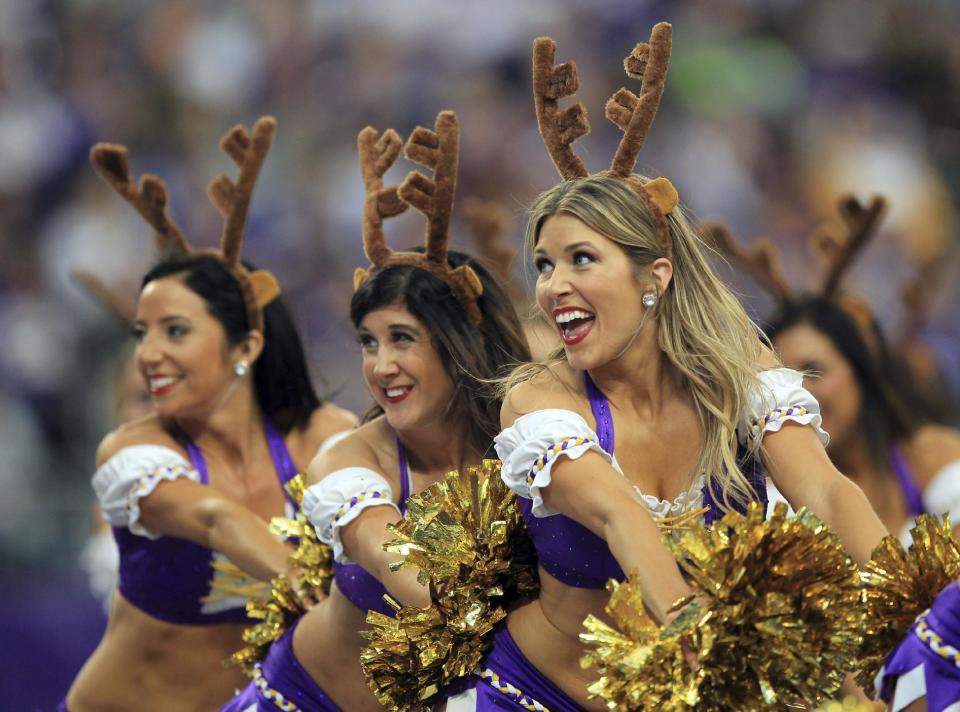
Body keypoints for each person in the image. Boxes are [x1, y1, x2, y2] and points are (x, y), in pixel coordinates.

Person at [449, 24, 889, 710]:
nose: (552, 286)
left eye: (580, 259)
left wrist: (916, 611)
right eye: (543, 265)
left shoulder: (738, 375)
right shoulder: (539, 401)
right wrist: (696, 637)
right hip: (530, 694)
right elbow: (624, 516)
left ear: (654, 276)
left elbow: (829, 493)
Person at [220, 111, 530, 711]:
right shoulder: (353, 460)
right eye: (368, 341)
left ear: (461, 342)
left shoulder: (525, 444)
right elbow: (408, 577)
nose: (380, 365)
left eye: (402, 339)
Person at [64, 117, 356, 712]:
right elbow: (218, 520)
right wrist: (311, 585)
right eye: (143, 333)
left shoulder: (324, 437)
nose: (147, 355)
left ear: (245, 346)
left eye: (175, 331)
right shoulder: (133, 452)